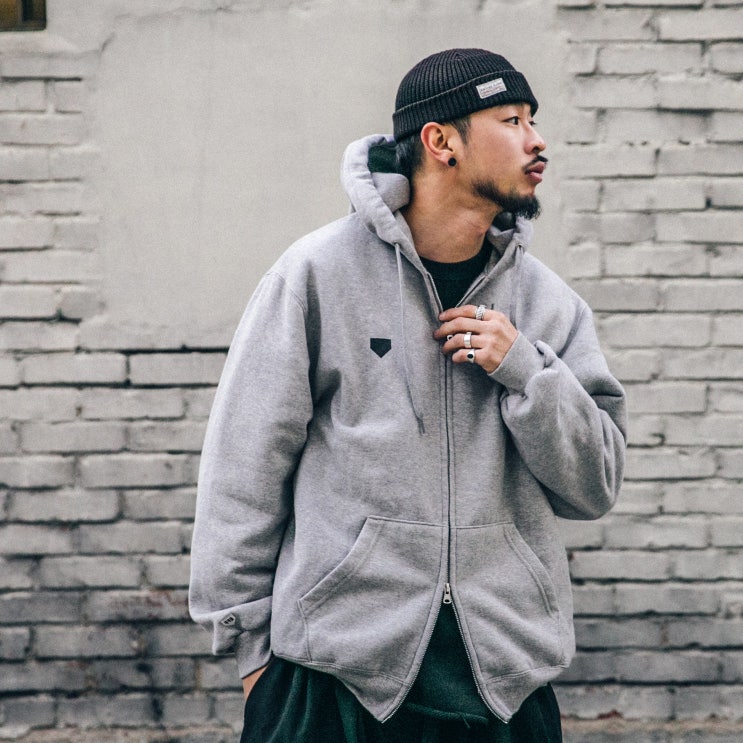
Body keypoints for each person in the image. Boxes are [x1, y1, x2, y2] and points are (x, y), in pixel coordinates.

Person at [189, 48, 627, 742]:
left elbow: (594, 487)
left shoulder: (550, 306)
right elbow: (244, 469)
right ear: (441, 140)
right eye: (511, 120)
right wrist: (253, 659)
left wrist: (526, 370)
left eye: (533, 120)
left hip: (502, 683)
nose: (537, 140)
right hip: (332, 677)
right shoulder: (317, 275)